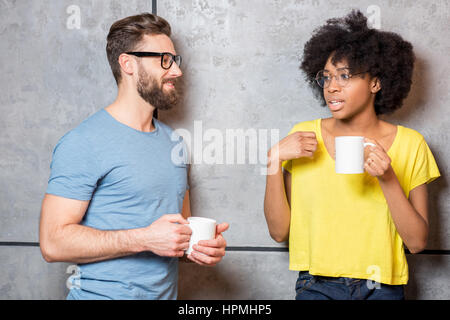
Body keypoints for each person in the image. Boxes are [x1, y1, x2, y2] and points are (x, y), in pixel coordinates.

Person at [39, 13, 228, 300]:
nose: (176, 71)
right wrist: (143, 238)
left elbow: (175, 236)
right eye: (164, 59)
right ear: (128, 63)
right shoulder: (83, 142)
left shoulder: (174, 143)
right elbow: (52, 244)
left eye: (175, 60)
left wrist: (199, 248)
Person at [264, 10, 440, 300]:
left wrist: (387, 178)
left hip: (382, 287)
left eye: (345, 76)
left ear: (376, 83)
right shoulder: (304, 137)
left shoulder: (411, 144)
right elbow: (279, 232)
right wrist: (273, 160)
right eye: (327, 77)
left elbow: (417, 242)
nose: (332, 87)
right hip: (315, 286)